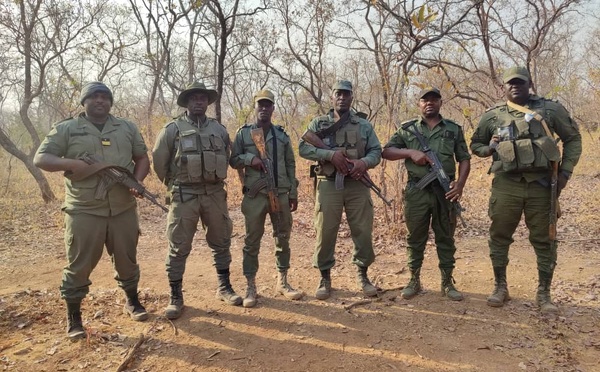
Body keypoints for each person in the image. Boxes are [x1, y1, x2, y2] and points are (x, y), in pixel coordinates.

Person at [34, 81, 150, 339]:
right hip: (84, 210)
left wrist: (137, 182)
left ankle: (132, 300)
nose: (100, 101)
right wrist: (74, 164)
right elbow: (42, 158)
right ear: (84, 102)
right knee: (79, 265)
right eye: (94, 97)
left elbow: (142, 157)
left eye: (105, 97)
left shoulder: (126, 127)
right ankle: (74, 317)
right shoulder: (67, 129)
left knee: (127, 260)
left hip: (123, 208)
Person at [470, 66, 582, 313]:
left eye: (520, 82)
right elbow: (475, 145)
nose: (515, 86)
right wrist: (489, 148)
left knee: (545, 240)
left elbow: (573, 138)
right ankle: (500, 286)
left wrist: (565, 172)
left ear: (530, 83)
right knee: (499, 237)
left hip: (541, 186)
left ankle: (544, 294)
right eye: (510, 82)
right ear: (503, 86)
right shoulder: (493, 115)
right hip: (506, 185)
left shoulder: (550, 109)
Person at [152, 81, 242, 319]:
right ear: (187, 102)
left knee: (221, 240)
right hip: (185, 196)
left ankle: (224, 287)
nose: (199, 102)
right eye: (194, 98)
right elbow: (159, 163)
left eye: (203, 98)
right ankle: (175, 296)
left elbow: (229, 155)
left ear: (208, 102)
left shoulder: (219, 129)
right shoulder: (172, 129)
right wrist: (174, 185)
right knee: (178, 245)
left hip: (214, 194)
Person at [382, 87, 471, 301]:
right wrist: (410, 152)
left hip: (445, 191)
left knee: (446, 237)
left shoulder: (453, 129)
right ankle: (414, 279)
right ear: (419, 104)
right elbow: (386, 151)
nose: (429, 103)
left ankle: (447, 282)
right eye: (425, 100)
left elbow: (464, 158)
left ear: (441, 102)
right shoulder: (408, 129)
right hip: (417, 191)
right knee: (415, 238)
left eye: (434, 99)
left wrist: (459, 185)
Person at [298, 80, 382, 300]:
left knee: (362, 230)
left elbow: (376, 151)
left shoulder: (363, 125)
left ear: (352, 98)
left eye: (346, 94)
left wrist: (363, 163)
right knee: (325, 231)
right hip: (328, 183)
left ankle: (363, 275)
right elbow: (303, 147)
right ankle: (324, 277)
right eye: (338, 94)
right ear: (332, 97)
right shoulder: (319, 124)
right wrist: (329, 155)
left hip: (357, 184)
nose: (342, 98)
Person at [229, 89, 302, 308]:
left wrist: (293, 192)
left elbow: (290, 164)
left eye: (267, 105)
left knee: (282, 238)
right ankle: (250, 285)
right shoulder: (244, 134)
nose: (263, 108)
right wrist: (250, 158)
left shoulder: (281, 135)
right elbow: (233, 161)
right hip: (255, 195)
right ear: (255, 107)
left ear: (273, 108)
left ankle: (283, 281)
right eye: (260, 105)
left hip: (279, 194)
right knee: (252, 241)